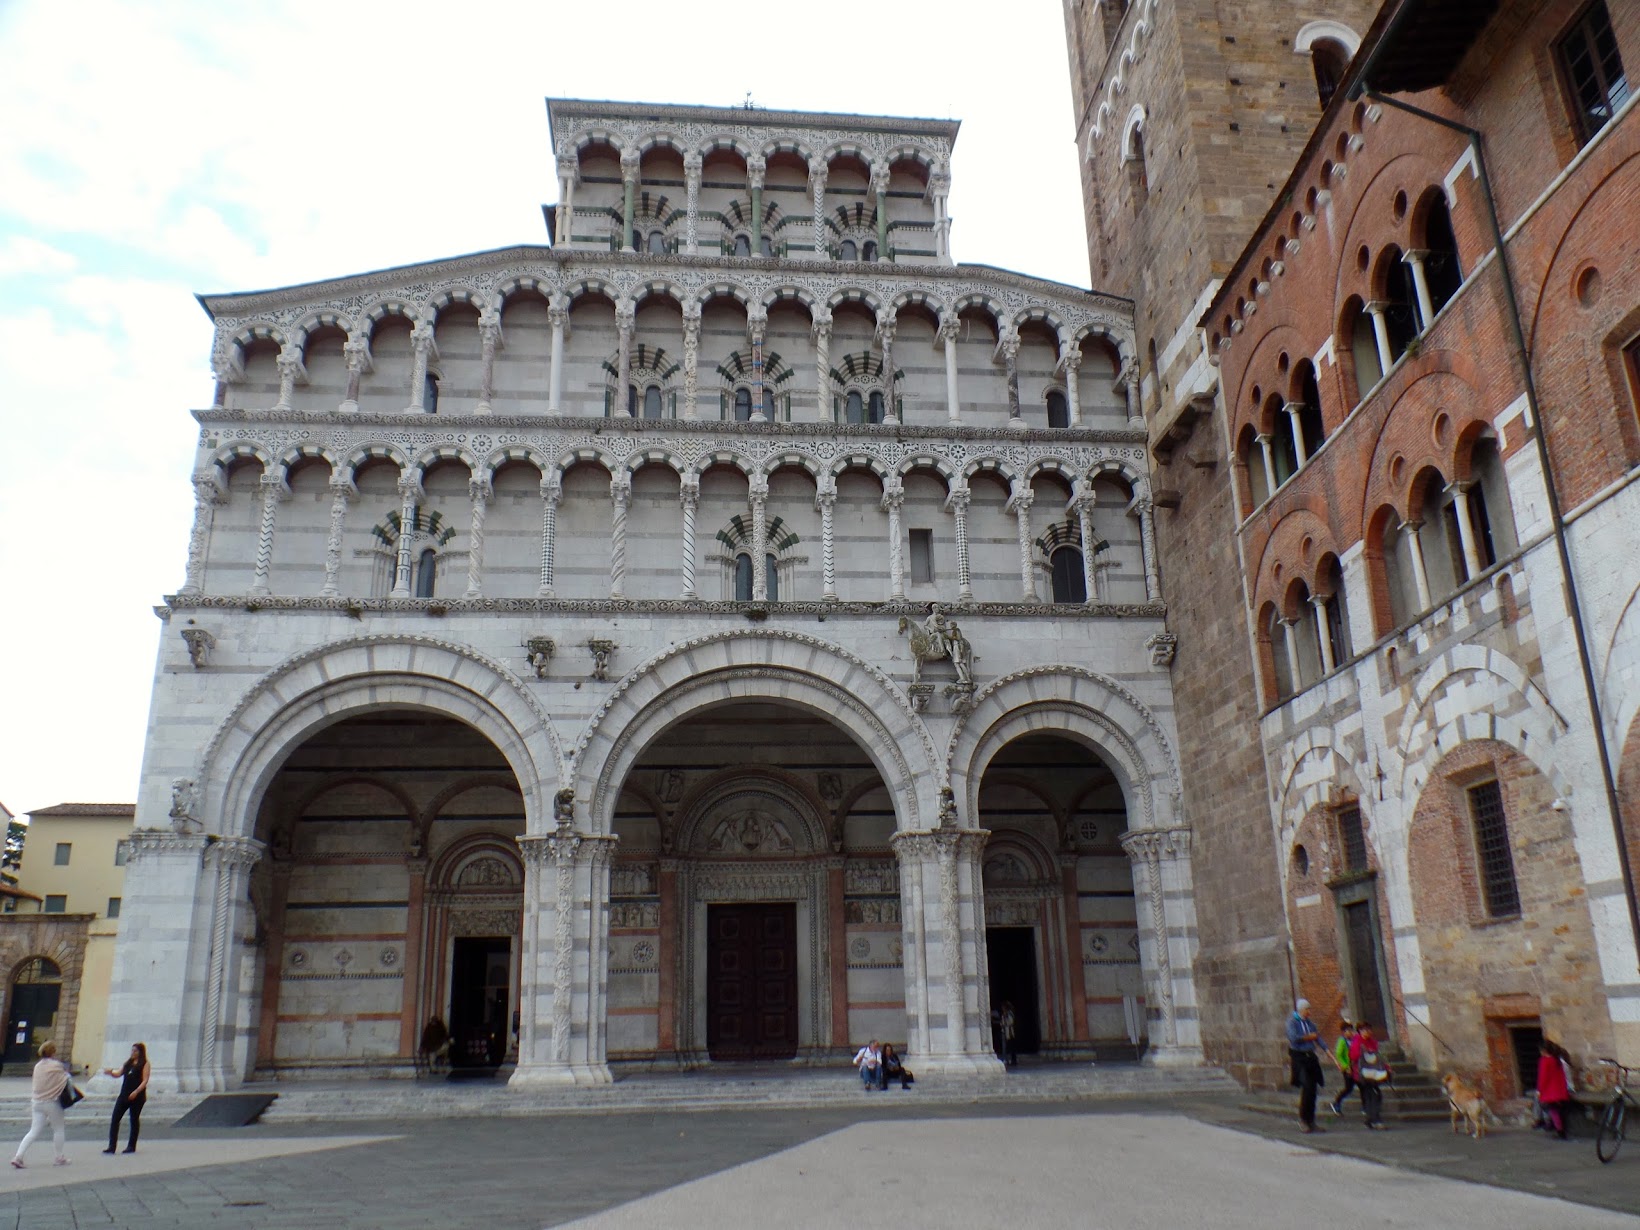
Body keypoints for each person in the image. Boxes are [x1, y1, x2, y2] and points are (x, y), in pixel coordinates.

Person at [10, 1040, 71, 1169]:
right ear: (53, 1052)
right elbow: (65, 1079)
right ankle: (59, 1157)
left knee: (33, 1131)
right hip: (52, 1101)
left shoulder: (37, 1066)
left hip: (37, 1102)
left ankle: (18, 1156)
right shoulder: (56, 1065)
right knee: (58, 1129)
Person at [1286, 998, 1326, 1133]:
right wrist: (1309, 1037)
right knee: (1307, 1087)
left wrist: (1326, 1049)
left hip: (1310, 1057)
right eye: (1307, 1009)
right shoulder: (1292, 1022)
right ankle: (1303, 1120)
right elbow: (1293, 1038)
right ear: (1301, 1010)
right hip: (1299, 1057)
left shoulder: (1310, 1023)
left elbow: (1317, 1037)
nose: (1309, 1012)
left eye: (1309, 1009)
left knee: (1313, 1089)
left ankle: (1311, 1120)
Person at [102, 1042, 150, 1154]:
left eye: (135, 1051)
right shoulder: (128, 1063)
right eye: (132, 1050)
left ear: (140, 1052)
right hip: (124, 1094)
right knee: (115, 1118)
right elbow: (119, 1073)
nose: (133, 1053)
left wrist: (136, 1091)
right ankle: (112, 1146)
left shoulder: (145, 1064)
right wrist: (111, 1073)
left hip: (137, 1096)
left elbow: (145, 1080)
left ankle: (131, 1146)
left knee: (134, 1119)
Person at [1351, 1021, 1391, 1130]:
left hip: (1373, 1073)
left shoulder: (1372, 1042)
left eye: (1369, 1029)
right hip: (1362, 1075)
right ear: (1360, 1031)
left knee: (1375, 1095)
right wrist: (1361, 1051)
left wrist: (1386, 1067)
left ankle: (1370, 1120)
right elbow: (1353, 1056)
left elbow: (1377, 1057)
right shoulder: (1357, 1041)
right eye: (1364, 1030)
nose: (1367, 1032)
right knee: (1372, 1095)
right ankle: (1376, 1120)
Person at [1536, 1040, 1574, 1140]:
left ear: (1544, 1050)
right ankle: (1560, 1129)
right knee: (1560, 1112)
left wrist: (1539, 1090)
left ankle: (1559, 1131)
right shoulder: (1556, 1060)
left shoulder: (1544, 1061)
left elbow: (1543, 1077)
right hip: (1560, 1090)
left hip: (1550, 1091)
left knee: (1553, 1112)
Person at [1329, 1020, 1359, 1117]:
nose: (1350, 1032)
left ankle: (1366, 1105)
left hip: (1355, 1067)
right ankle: (1336, 1103)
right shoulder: (1342, 1041)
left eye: (1351, 1030)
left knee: (1360, 1085)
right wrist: (1346, 1066)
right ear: (1343, 1032)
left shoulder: (1353, 1040)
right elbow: (1339, 1054)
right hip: (1347, 1068)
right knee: (1348, 1088)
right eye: (1348, 1031)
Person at [999, 1001, 1018, 1067]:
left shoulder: (1009, 1014)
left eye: (1003, 1007)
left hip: (1009, 1033)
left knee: (1011, 1047)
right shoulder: (1004, 1014)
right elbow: (1002, 1023)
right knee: (1005, 1047)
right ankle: (1006, 1059)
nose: (1002, 1008)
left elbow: (1010, 1022)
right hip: (1004, 1032)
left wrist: (1005, 1020)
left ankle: (1013, 1060)